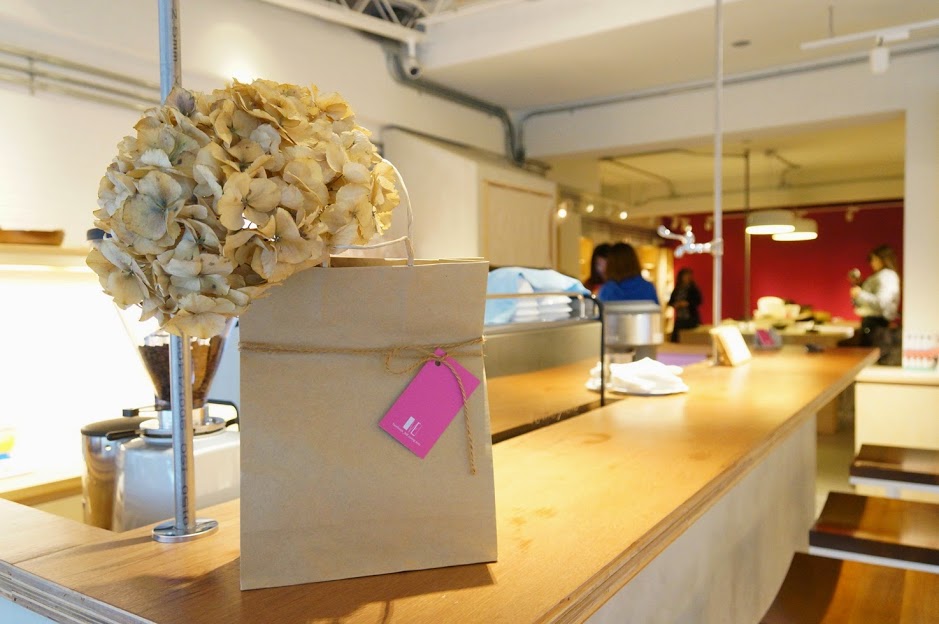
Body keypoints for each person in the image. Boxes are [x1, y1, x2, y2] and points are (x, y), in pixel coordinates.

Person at [850, 243, 900, 364]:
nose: (871, 263)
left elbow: (882, 303)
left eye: (873, 259)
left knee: (870, 363)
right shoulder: (883, 276)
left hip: (877, 326)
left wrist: (860, 294)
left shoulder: (886, 276)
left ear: (882, 259)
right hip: (874, 325)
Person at [668, 267, 702, 342]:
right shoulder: (677, 289)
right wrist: (676, 304)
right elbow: (671, 302)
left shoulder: (693, 289)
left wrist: (687, 303)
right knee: (676, 339)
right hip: (680, 318)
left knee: (691, 339)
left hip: (691, 317)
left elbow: (698, 301)